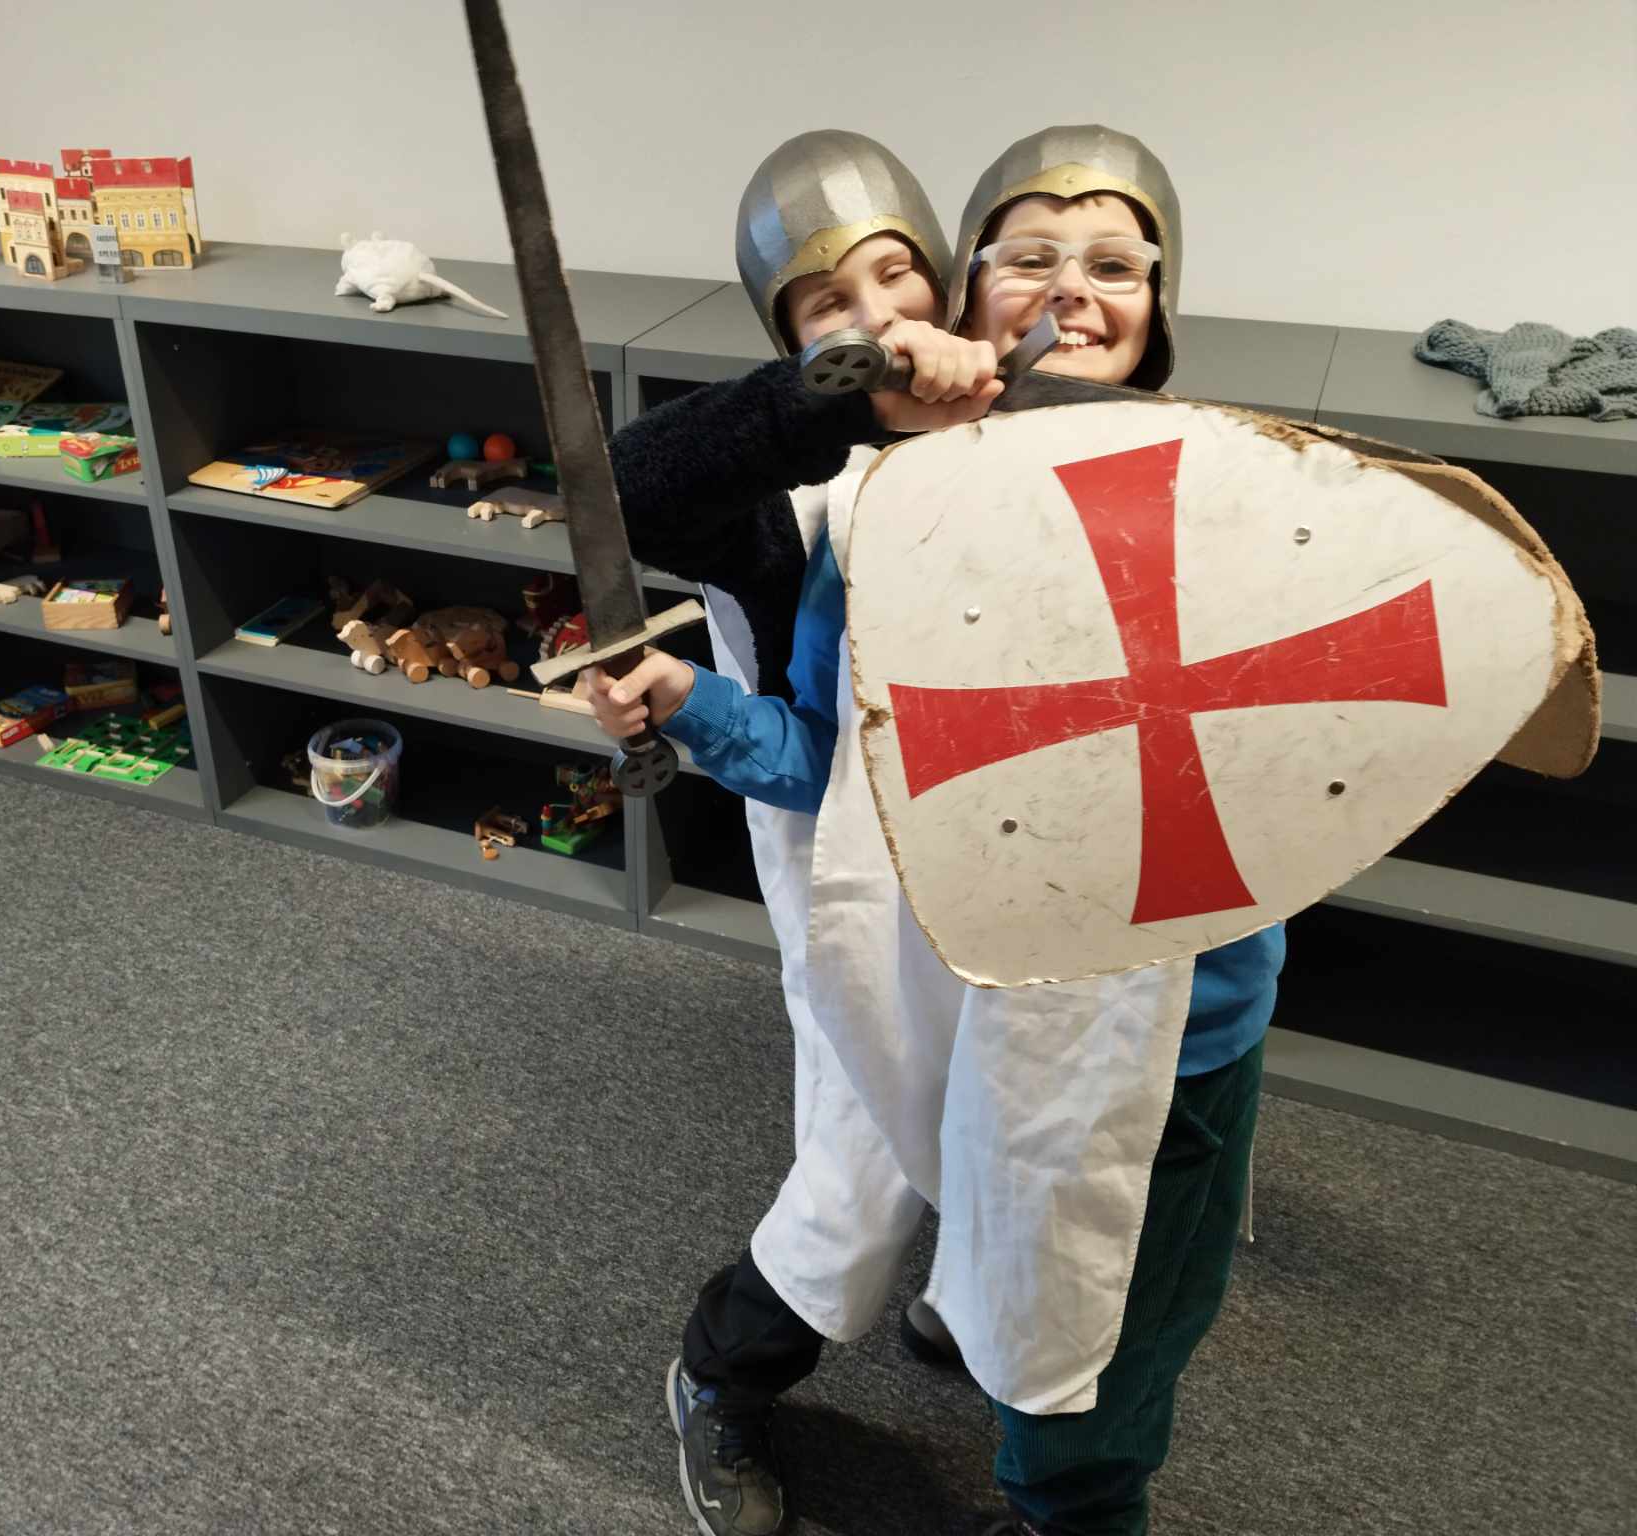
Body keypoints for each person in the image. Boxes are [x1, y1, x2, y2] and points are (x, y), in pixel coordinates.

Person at [599, 126, 1283, 1536]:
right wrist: (696, 700)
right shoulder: (872, 513)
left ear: (1160, 306)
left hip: (1175, 1001)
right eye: (1030, 258)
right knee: (863, 1210)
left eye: (1115, 266)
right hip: (937, 962)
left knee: (1105, 1312)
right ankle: (737, 1376)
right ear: (979, 298)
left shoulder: (1237, 489)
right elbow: (810, 736)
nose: (1072, 290)